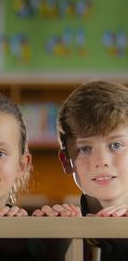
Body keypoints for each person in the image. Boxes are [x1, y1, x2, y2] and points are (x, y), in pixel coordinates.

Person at [33, 81, 128, 217]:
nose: (101, 161)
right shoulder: (63, 224)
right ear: (66, 160)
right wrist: (59, 237)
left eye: (116, 145)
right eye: (85, 149)